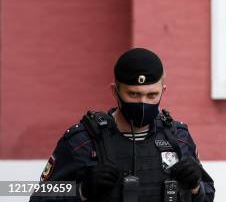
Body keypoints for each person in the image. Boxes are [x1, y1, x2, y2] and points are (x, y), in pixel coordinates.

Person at [31, 48, 215, 201]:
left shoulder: (178, 138)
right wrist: (82, 191)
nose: (143, 103)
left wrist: (196, 187)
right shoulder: (82, 140)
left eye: (151, 95)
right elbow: (38, 196)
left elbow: (208, 195)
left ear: (162, 91)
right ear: (115, 91)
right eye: (133, 94)